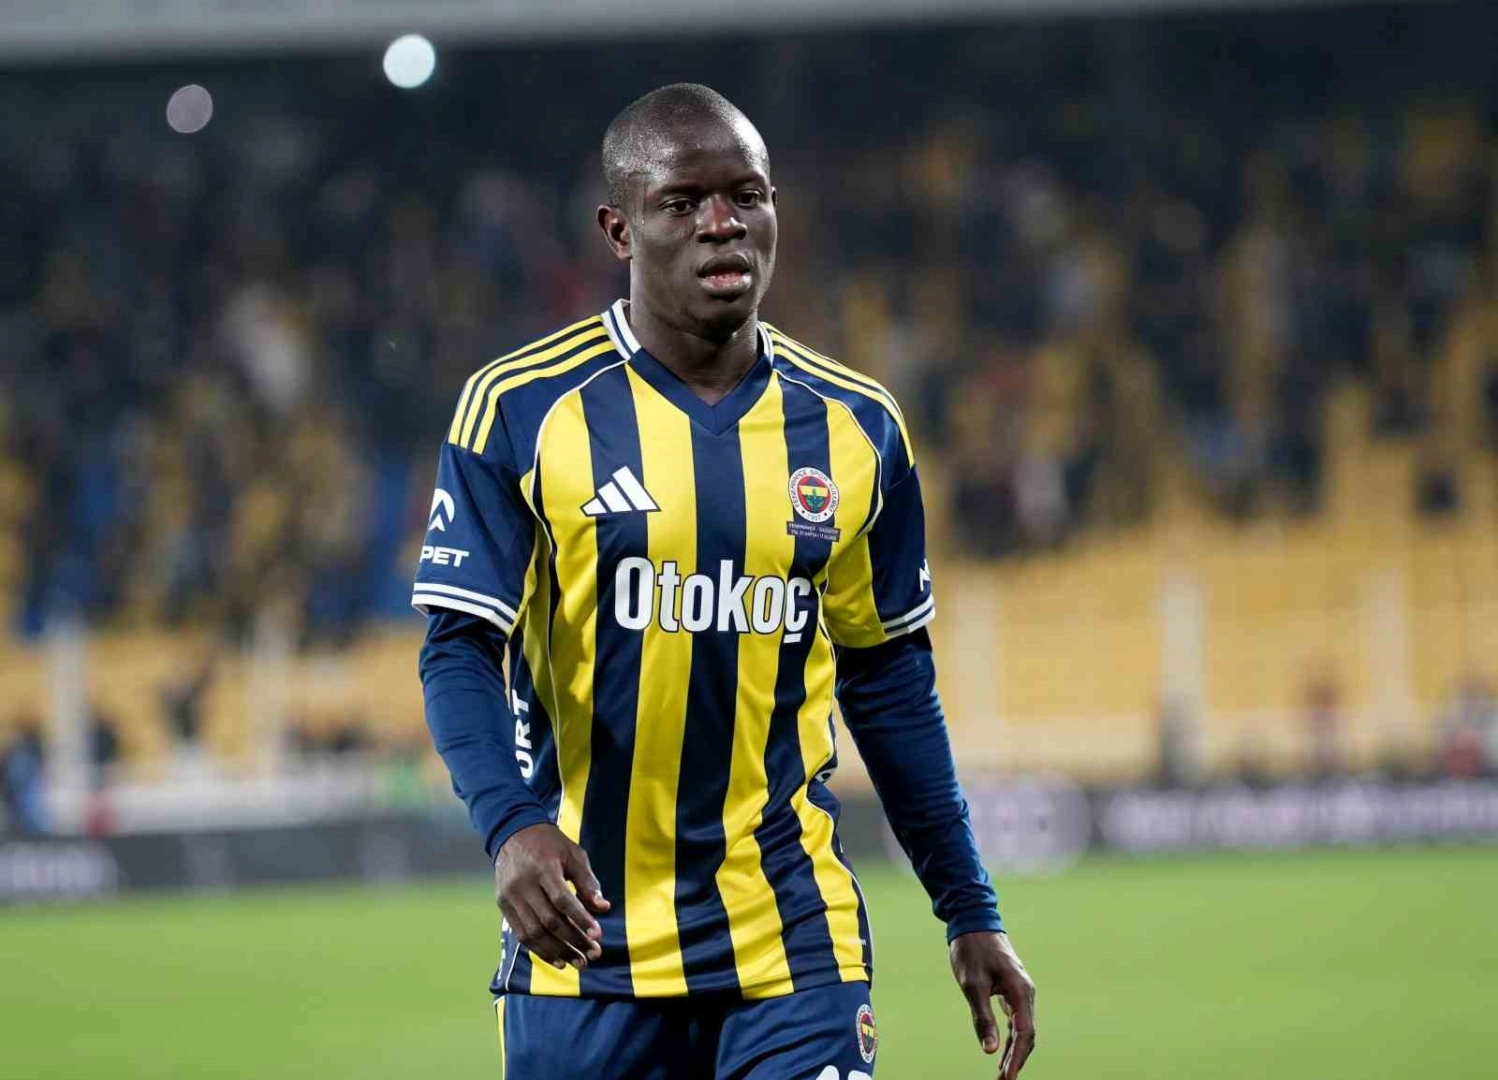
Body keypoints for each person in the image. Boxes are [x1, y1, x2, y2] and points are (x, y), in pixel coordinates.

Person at [415, 83, 1036, 1080]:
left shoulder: (857, 426)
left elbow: (889, 683)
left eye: (747, 196)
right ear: (619, 230)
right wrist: (512, 826)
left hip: (791, 940)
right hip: (585, 944)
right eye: (682, 202)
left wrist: (969, 908)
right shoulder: (522, 408)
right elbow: (457, 650)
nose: (722, 223)